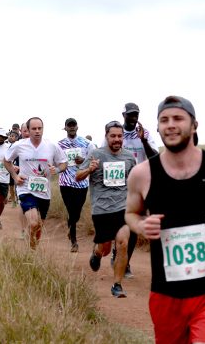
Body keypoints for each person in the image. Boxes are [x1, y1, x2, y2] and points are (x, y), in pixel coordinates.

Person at [125, 96, 205, 343]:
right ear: (158, 127)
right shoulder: (142, 174)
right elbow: (131, 213)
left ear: (194, 125)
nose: (170, 125)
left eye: (178, 118)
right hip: (166, 295)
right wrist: (141, 225)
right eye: (164, 120)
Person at [76, 120, 137, 298]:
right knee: (105, 249)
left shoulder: (128, 157)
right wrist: (89, 169)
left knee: (123, 243)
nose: (117, 139)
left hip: (123, 208)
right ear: (106, 136)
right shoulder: (96, 154)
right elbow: (78, 176)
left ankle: (117, 285)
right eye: (113, 136)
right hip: (101, 209)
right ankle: (96, 253)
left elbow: (134, 180)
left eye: (120, 136)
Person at [4, 117, 68, 250]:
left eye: (40, 128)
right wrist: (15, 177)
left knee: (38, 226)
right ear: (28, 130)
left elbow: (64, 163)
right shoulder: (19, 145)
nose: (37, 131)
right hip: (25, 188)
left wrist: (56, 169)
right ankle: (30, 251)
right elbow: (6, 161)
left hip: (44, 192)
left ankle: (32, 249)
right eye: (34, 128)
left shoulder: (51, 146)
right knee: (33, 223)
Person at [112, 102, 159, 278]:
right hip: (117, 184)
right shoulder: (115, 132)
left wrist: (143, 141)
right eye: (130, 115)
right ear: (123, 115)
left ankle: (126, 263)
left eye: (136, 115)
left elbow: (154, 157)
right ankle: (117, 253)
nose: (133, 118)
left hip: (139, 186)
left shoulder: (145, 134)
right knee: (118, 223)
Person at [58, 118, 94, 252]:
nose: (72, 128)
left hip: (82, 182)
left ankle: (70, 226)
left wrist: (83, 160)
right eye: (69, 126)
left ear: (77, 127)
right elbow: (56, 160)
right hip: (65, 182)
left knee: (77, 212)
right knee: (70, 210)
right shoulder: (60, 144)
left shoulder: (87, 143)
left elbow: (93, 159)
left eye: (74, 125)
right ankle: (74, 241)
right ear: (65, 128)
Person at [6, 130, 20, 207]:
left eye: (12, 136)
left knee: (17, 184)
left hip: (18, 169)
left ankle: (19, 199)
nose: (10, 137)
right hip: (11, 169)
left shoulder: (19, 146)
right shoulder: (8, 147)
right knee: (11, 185)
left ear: (17, 138)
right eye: (10, 136)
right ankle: (14, 201)